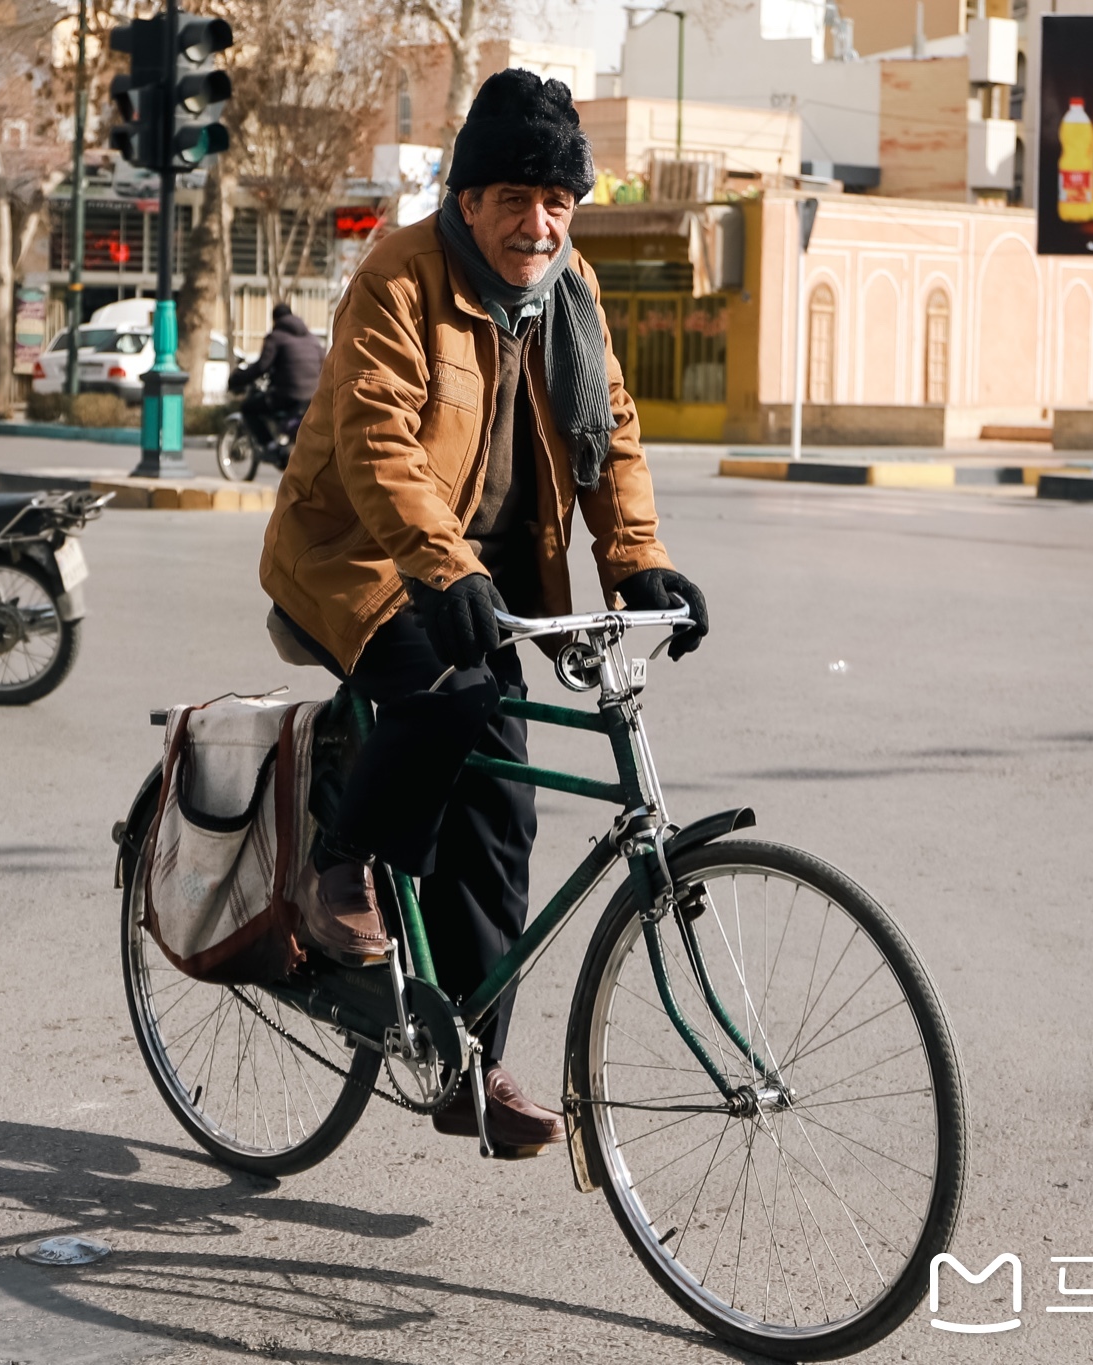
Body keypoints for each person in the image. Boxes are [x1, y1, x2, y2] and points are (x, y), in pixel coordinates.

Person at [258, 69, 709, 1159]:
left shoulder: (569, 290)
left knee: (500, 817)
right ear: (466, 199)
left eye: (556, 200)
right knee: (443, 699)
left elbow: (614, 434)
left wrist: (638, 564)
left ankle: (467, 1059)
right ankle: (335, 870)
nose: (537, 221)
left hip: (481, 582)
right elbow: (375, 445)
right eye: (514, 196)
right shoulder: (398, 278)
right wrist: (442, 569)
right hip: (353, 555)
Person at [228, 303, 322, 463]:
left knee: (248, 408)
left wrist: (238, 378)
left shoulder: (276, 337)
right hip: (312, 396)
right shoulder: (312, 339)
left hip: (287, 394)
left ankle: (271, 447)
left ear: (275, 319)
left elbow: (262, 366)